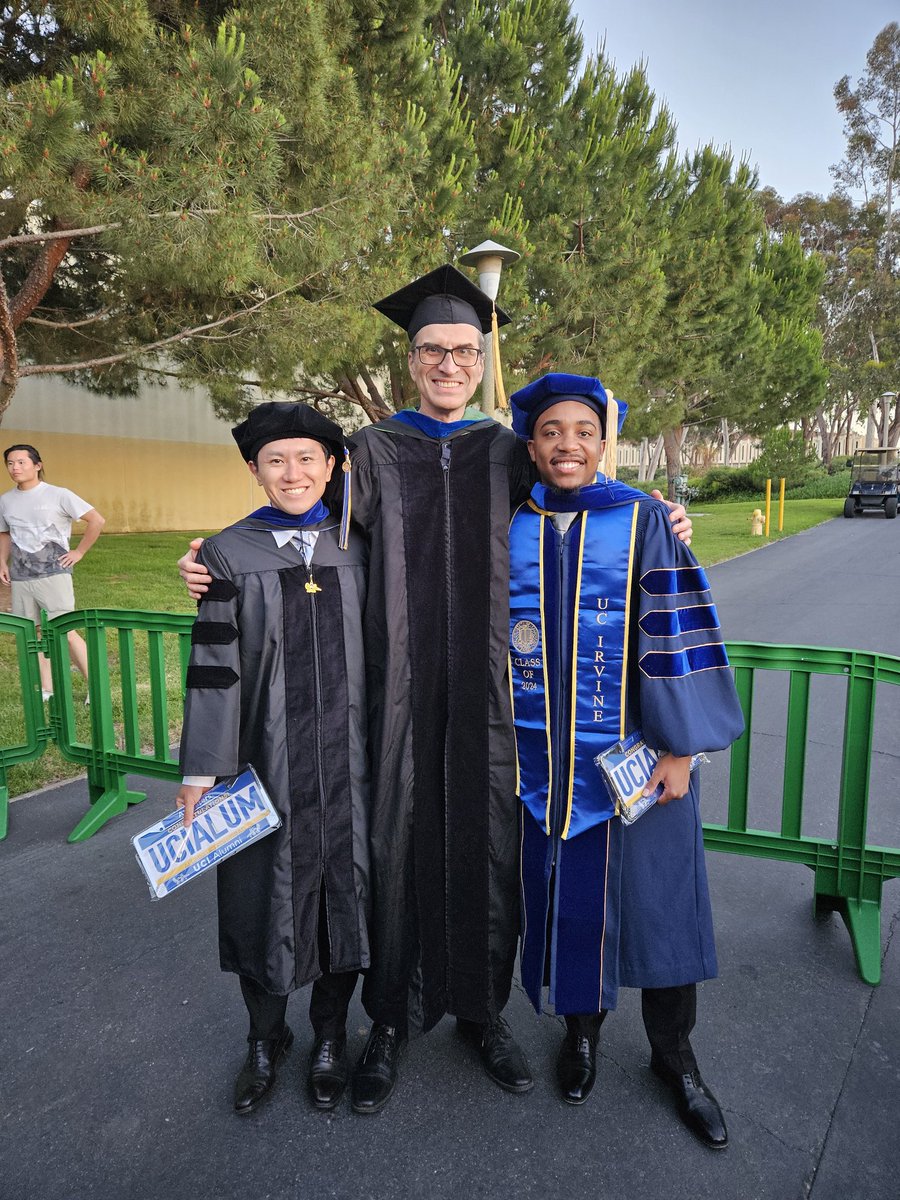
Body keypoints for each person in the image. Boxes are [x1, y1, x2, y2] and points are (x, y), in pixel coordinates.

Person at [179, 265, 694, 1115]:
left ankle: (482, 1014)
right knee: (399, 850)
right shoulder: (374, 451)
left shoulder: (508, 450)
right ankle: (387, 1021)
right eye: (432, 350)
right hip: (401, 702)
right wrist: (207, 561)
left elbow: (582, 495)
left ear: (480, 358)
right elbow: (296, 521)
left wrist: (660, 511)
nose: (448, 363)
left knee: (488, 856)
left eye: (463, 350)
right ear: (411, 360)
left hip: (496, 704)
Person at [507, 373, 744, 1149]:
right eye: (549, 431)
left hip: (640, 760)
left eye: (582, 429)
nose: (565, 444)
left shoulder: (643, 518)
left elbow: (678, 625)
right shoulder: (510, 519)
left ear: (604, 440)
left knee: (664, 910)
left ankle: (675, 1059)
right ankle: (582, 1037)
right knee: (574, 905)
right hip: (546, 767)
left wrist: (680, 748)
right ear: (531, 444)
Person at [176, 403, 370, 1116]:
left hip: (353, 764)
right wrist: (201, 772)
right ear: (254, 470)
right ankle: (265, 1038)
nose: (294, 473)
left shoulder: (362, 541)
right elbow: (215, 666)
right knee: (261, 899)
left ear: (331, 466)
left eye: (309, 458)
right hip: (267, 763)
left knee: (346, 900)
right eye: (277, 460)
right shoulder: (229, 553)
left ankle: (327, 1037)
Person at [0, 444, 105, 700]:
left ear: (38, 465)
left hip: (54, 573)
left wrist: (78, 553)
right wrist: (2, 561)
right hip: (22, 576)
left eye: (22, 462)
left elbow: (96, 520)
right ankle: (47, 689)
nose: (15, 468)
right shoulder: (5, 500)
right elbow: (4, 533)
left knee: (65, 631)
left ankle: (96, 686)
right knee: (32, 632)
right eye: (10, 463)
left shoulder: (59, 495)